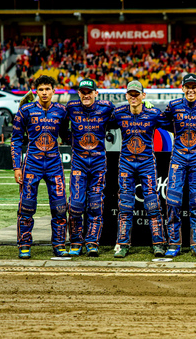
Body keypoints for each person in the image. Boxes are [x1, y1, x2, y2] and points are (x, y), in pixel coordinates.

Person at [109, 80, 171, 258]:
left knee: (153, 204)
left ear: (143, 96)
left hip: (146, 164)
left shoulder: (153, 114)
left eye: (137, 94)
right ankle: (122, 244)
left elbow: (171, 123)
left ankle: (159, 244)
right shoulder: (119, 113)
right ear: (126, 96)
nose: (134, 97)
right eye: (131, 94)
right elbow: (99, 121)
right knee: (125, 205)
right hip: (126, 164)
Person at [11, 75, 70, 259]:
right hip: (32, 164)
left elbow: (66, 135)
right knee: (26, 207)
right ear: (36, 91)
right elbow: (16, 139)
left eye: (48, 89)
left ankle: (59, 245)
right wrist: (16, 167)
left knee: (60, 207)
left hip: (54, 163)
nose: (44, 93)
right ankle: (24, 245)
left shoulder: (61, 110)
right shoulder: (25, 110)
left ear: (54, 91)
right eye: (41, 89)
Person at [163, 73, 196, 258]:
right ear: (183, 88)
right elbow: (162, 122)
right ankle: (174, 243)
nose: (191, 89)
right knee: (173, 202)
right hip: (177, 159)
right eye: (188, 86)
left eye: (194, 86)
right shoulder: (173, 106)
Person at [65, 79, 116, 257]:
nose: (86, 95)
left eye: (90, 91)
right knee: (75, 205)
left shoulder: (107, 107)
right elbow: (63, 128)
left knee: (95, 205)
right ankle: (76, 241)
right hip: (79, 162)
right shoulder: (71, 107)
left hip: (98, 163)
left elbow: (121, 118)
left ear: (96, 93)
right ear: (78, 93)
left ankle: (92, 242)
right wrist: (69, 141)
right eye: (83, 91)